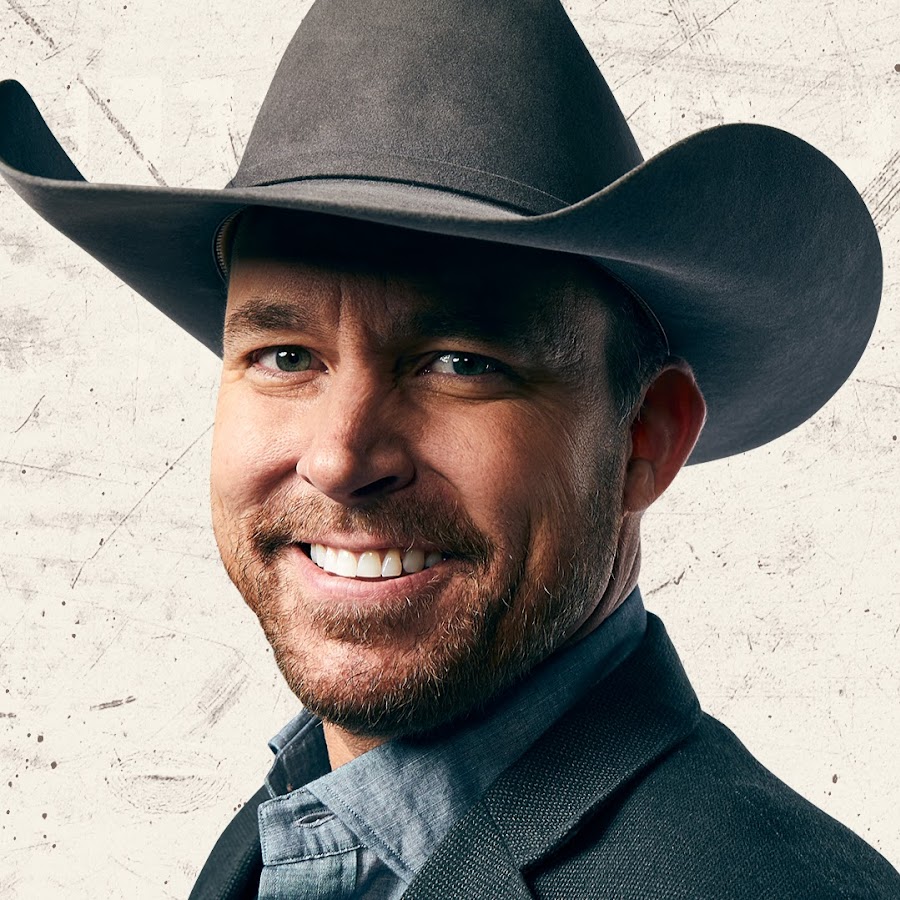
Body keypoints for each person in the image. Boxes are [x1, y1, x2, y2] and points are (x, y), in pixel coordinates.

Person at [1, 0, 897, 897]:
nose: (341, 459)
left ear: (643, 438)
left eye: (460, 364)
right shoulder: (283, 834)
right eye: (285, 357)